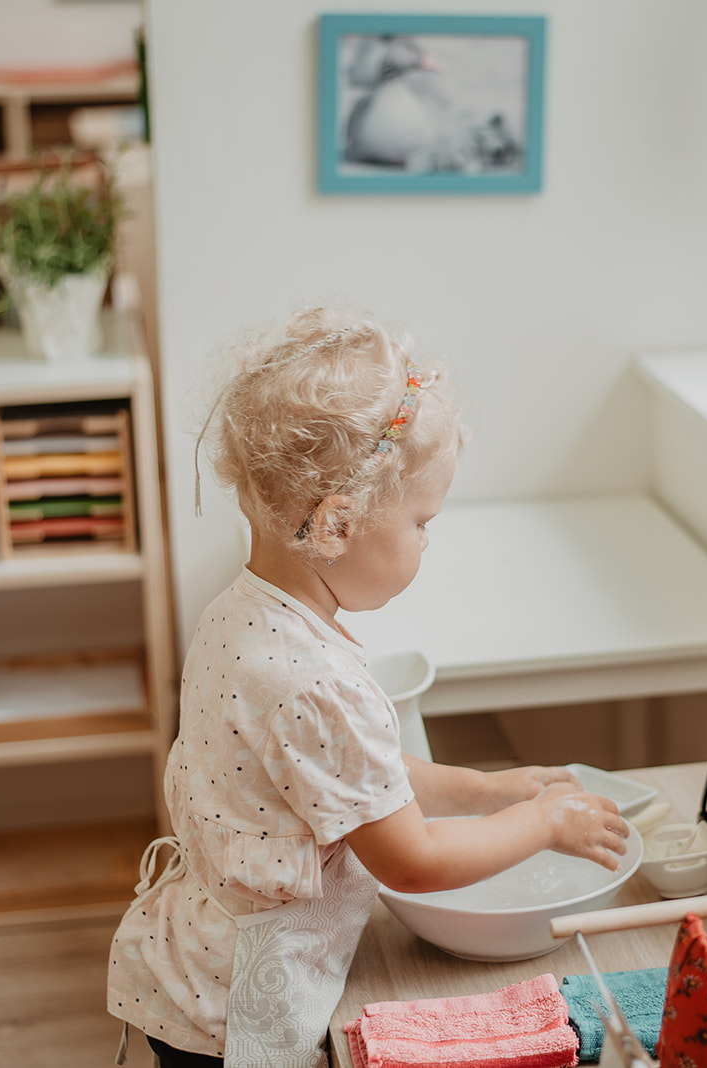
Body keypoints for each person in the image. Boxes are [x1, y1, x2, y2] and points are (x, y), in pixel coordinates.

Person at [107, 307, 631, 1067]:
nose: (428, 540)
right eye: (423, 521)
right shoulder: (314, 684)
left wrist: (493, 791)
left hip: (194, 958)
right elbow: (411, 860)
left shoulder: (242, 612)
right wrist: (544, 825)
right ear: (336, 527)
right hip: (239, 1010)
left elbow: (360, 778)